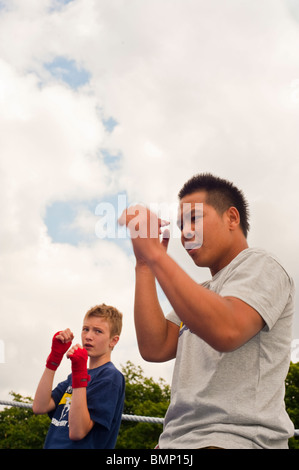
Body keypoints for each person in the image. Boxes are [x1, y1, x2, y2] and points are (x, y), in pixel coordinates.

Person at [119, 173, 295, 449]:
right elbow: (154, 347)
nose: (186, 232)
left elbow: (227, 330)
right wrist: (144, 264)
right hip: (174, 443)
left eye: (195, 218)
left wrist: (156, 255)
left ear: (232, 218)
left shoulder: (263, 265)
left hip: (236, 440)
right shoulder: (201, 293)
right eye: (180, 225)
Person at [33, 304, 125, 449]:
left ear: (113, 340)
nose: (88, 336)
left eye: (98, 331)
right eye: (85, 329)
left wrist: (79, 374)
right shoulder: (73, 377)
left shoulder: (111, 377)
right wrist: (54, 359)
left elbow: (77, 432)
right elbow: (39, 406)